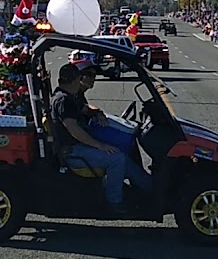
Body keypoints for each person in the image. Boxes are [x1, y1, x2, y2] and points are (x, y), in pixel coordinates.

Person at [51, 61, 151, 215]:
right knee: (117, 158)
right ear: (75, 80)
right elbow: (73, 129)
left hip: (79, 147)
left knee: (123, 157)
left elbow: (86, 110)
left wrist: (97, 113)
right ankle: (115, 202)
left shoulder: (70, 98)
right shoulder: (63, 100)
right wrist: (99, 145)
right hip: (73, 152)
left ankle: (153, 190)